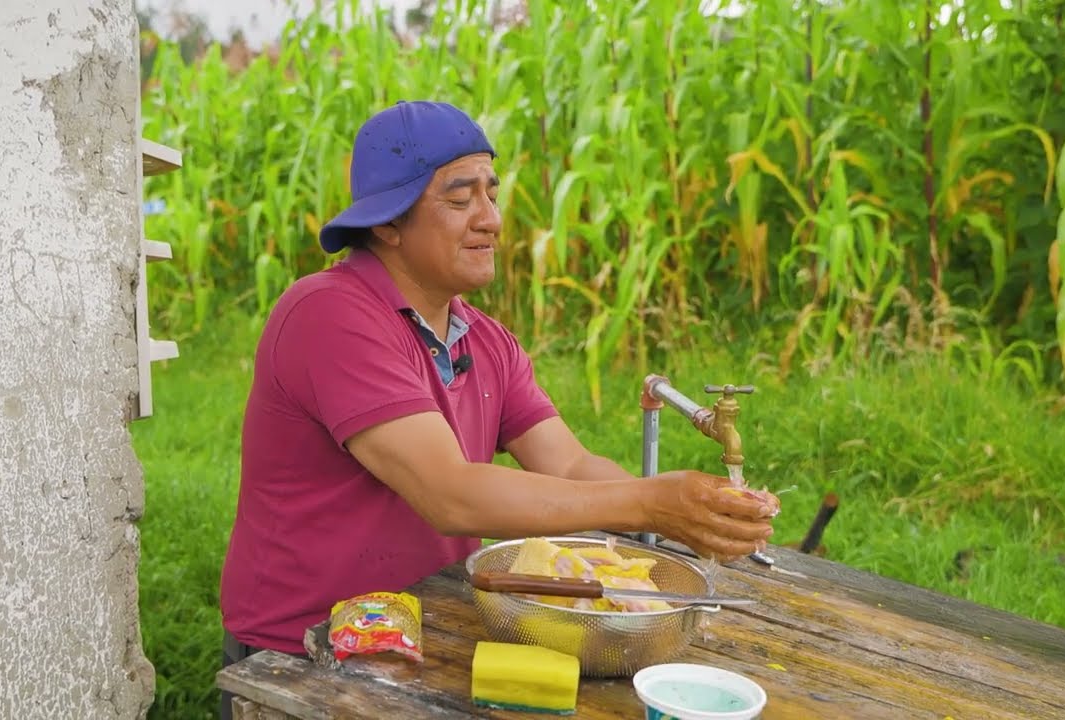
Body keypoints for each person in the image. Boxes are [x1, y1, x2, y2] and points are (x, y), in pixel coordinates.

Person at [217, 100, 779, 717]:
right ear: (386, 224)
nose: (490, 219)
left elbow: (567, 466)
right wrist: (654, 503)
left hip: (427, 624)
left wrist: (701, 509)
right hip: (303, 652)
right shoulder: (329, 315)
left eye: (492, 194)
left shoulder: (484, 340)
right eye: (460, 200)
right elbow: (450, 494)